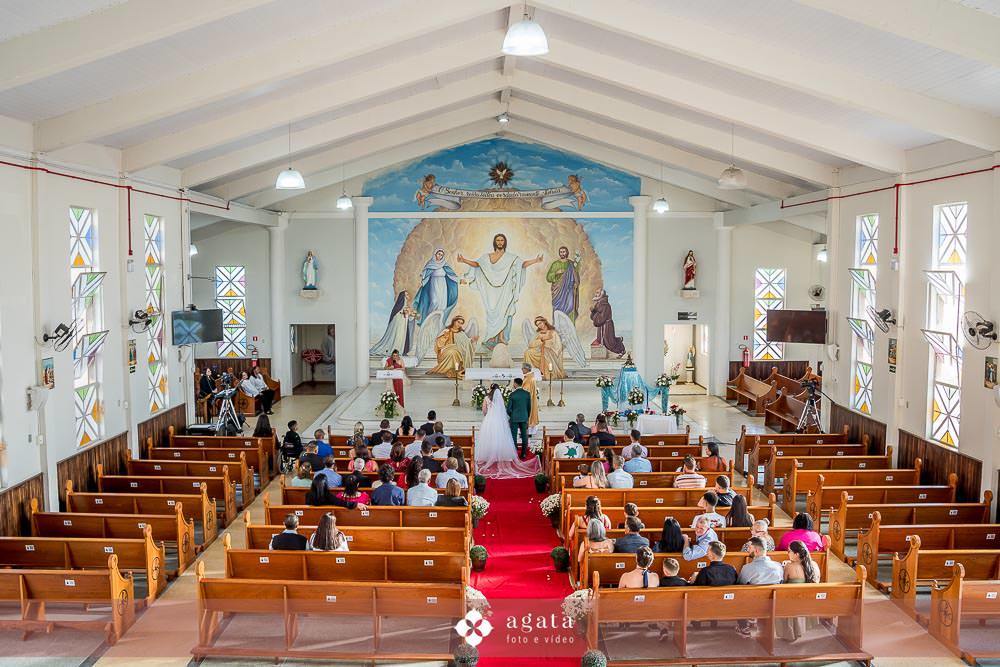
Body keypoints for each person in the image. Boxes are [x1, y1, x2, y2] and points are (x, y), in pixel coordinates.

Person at [476, 387, 541, 478]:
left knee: (490, 437)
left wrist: (488, 416)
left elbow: (484, 411)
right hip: (503, 420)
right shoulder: (503, 398)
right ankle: (520, 453)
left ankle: (490, 455)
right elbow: (505, 411)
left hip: (490, 420)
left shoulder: (487, 398)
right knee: (504, 437)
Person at [736, 536, 784, 637]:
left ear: (756, 550)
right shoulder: (778, 566)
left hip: (753, 606)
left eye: (749, 547)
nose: (748, 550)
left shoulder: (748, 568)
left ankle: (743, 626)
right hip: (773, 605)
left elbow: (740, 585)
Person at [776, 540, 821, 641]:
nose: (787, 553)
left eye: (789, 551)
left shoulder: (789, 567)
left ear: (796, 554)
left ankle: (789, 633)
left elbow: (783, 582)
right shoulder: (814, 565)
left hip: (792, 601)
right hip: (808, 599)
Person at [506, 378, 532, 458]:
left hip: (514, 418)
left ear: (515, 384)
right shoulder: (527, 394)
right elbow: (529, 407)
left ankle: (514, 453)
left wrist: (512, 415)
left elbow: (508, 409)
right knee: (524, 435)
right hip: (524, 417)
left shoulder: (512, 395)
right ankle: (523, 453)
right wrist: (526, 416)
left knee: (513, 435)